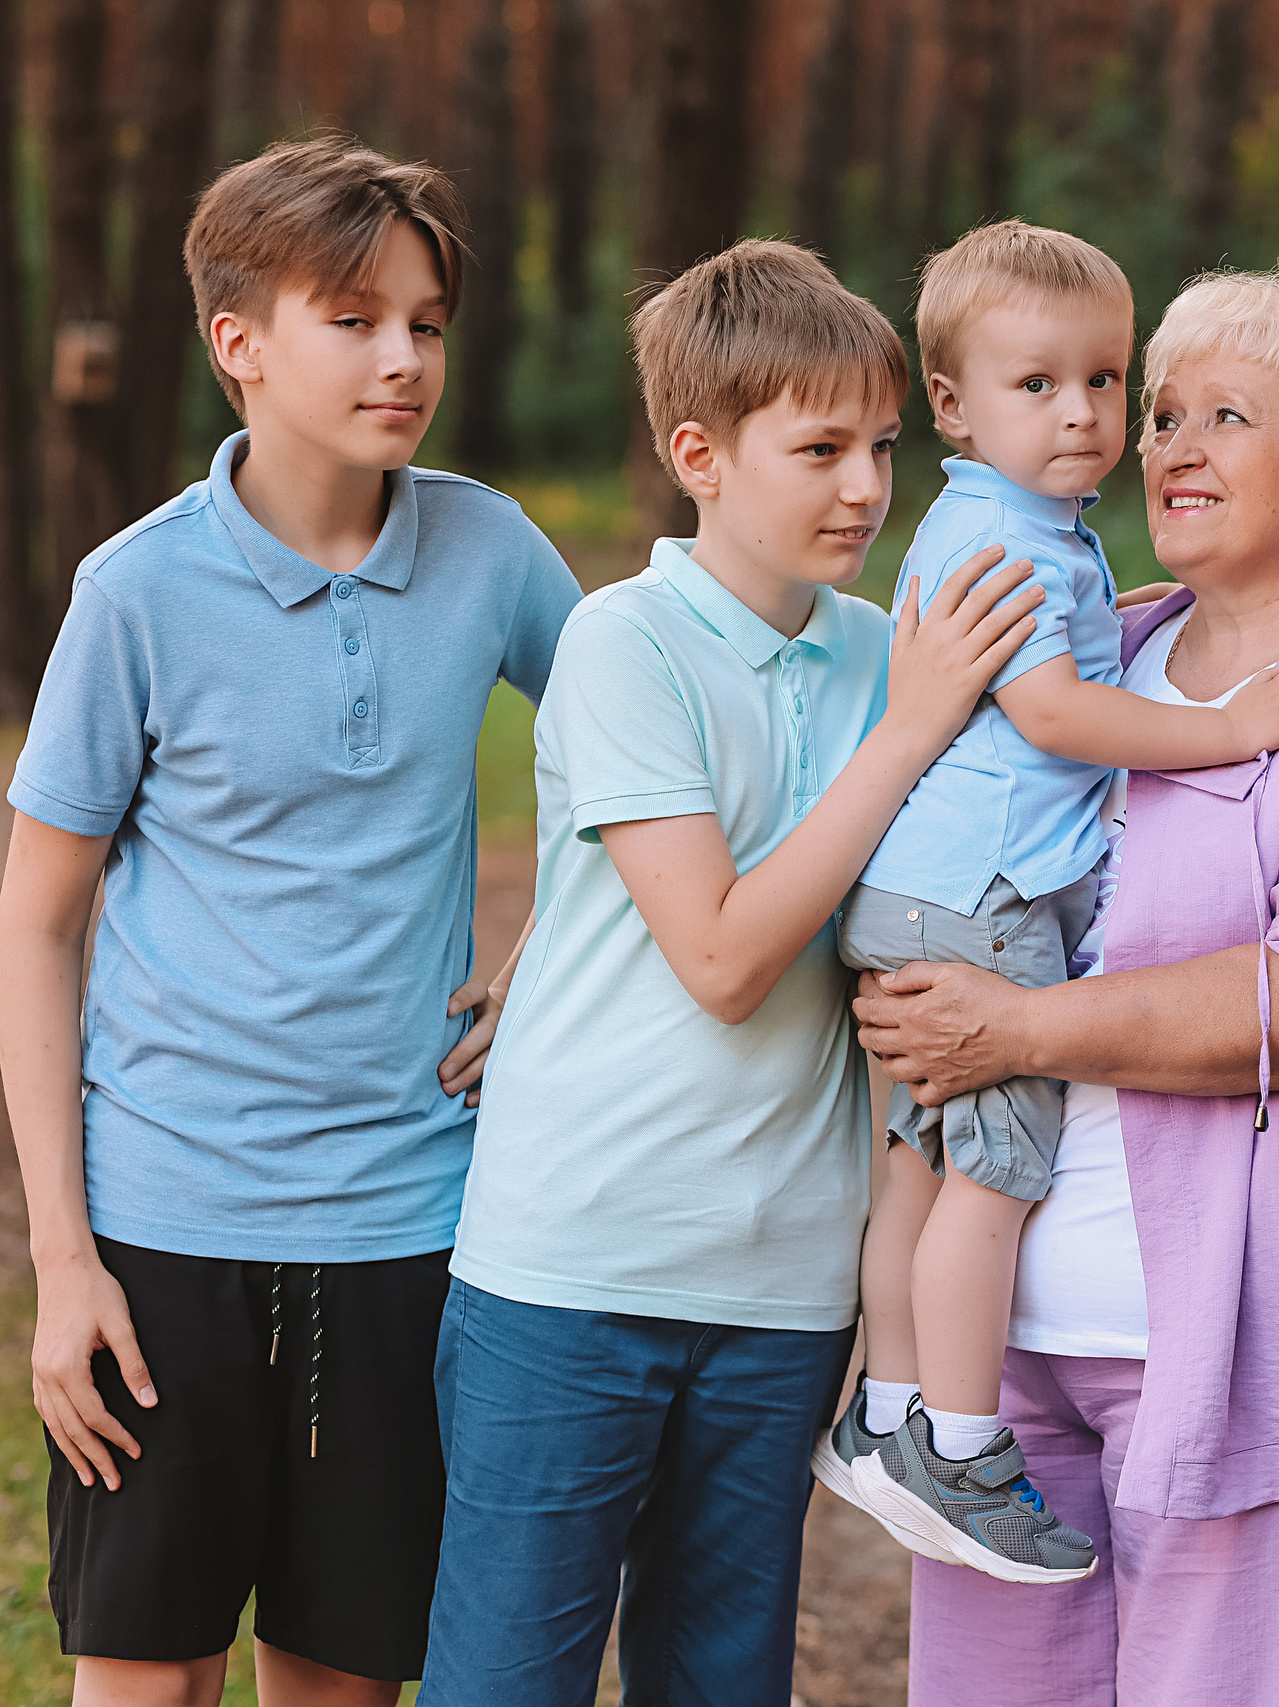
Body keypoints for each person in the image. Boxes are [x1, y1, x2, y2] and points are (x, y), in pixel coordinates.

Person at [852, 263, 1279, 1706]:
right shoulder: (1110, 645)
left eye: (1224, 415)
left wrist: (1022, 1029)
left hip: (1257, 1347)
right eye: (1161, 410)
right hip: (1007, 1355)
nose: (1166, 442)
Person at [417, 241, 1042, 1704]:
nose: (865, 488)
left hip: (784, 1281)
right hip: (574, 1265)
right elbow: (721, 955)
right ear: (699, 452)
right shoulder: (624, 643)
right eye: (819, 448)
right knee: (510, 1674)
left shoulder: (888, 651)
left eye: (883, 446)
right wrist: (909, 728)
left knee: (720, 1678)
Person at [0, 137, 582, 1704]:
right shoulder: (134, 594)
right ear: (239, 343)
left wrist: (550, 947)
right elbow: (36, 922)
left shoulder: (488, 550)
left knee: (344, 1680)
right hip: (164, 1228)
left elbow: (648, 757)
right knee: (150, 1679)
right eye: (356, 317)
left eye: (429, 323)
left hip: (414, 1225)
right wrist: (67, 1260)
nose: (406, 357)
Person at [821, 222, 1279, 1582]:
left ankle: (882, 1414)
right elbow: (1052, 707)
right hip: (982, 897)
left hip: (913, 886)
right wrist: (1229, 724)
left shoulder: (1004, 519)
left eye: (1107, 382)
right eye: (1037, 385)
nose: (1086, 415)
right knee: (996, 1174)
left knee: (920, 1164)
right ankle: (961, 1439)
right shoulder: (1019, 543)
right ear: (951, 402)